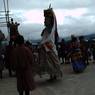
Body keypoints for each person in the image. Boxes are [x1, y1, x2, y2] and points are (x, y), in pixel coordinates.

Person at [39, 7, 62, 80]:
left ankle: (54, 75)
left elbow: (48, 38)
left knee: (53, 62)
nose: (44, 21)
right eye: (44, 19)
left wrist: (52, 13)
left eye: (46, 19)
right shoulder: (45, 30)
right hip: (45, 47)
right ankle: (52, 75)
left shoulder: (52, 29)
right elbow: (43, 38)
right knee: (48, 63)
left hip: (50, 47)